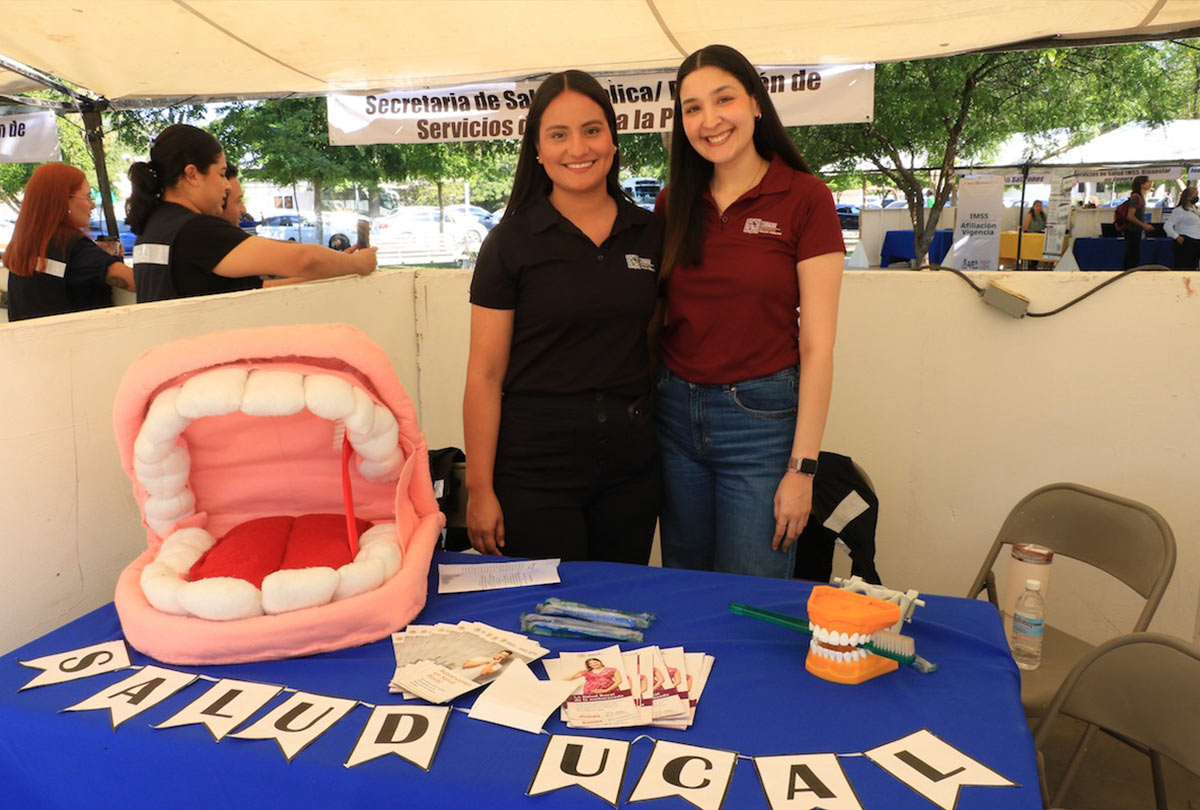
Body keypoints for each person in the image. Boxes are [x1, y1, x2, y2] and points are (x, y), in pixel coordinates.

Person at [655, 44, 844, 579]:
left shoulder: (806, 199)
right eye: (692, 108)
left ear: (756, 103)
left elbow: (818, 345)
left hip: (760, 425)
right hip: (674, 416)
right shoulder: (674, 203)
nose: (709, 120)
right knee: (686, 588)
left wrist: (802, 471)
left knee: (749, 596)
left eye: (723, 99)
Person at [463, 71, 662, 563]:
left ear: (614, 142)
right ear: (537, 149)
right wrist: (480, 490)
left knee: (621, 617)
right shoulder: (509, 243)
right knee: (546, 622)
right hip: (535, 471)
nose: (579, 148)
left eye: (592, 130)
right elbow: (485, 375)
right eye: (559, 134)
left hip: (631, 471)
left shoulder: (652, 234)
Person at [126, 124, 375, 303]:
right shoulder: (194, 230)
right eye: (221, 174)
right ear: (192, 174)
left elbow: (248, 288)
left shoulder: (155, 226)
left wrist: (338, 265)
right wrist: (356, 264)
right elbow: (304, 259)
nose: (226, 185)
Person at [3, 163, 135, 321]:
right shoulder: (73, 247)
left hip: (28, 342)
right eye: (88, 197)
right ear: (63, 201)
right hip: (76, 342)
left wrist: (99, 258)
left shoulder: (23, 245)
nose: (92, 205)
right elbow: (137, 282)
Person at [1121, 175, 1154, 271]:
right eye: (1147, 182)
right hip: (1132, 230)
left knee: (1133, 254)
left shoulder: (1139, 197)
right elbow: (1130, 216)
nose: (1150, 183)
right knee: (1132, 255)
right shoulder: (1136, 198)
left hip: (1135, 230)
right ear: (1141, 184)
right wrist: (1144, 225)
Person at [1164, 186, 1200, 270]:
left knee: (1193, 266)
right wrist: (1177, 237)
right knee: (1183, 266)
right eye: (1194, 195)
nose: (1196, 197)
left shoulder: (1195, 210)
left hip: (1196, 241)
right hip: (1186, 241)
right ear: (1188, 197)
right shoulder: (1179, 211)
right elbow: (1167, 226)